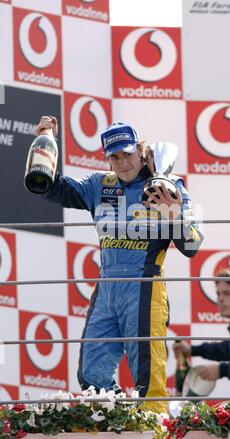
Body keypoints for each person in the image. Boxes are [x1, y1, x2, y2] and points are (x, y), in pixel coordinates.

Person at [34, 116, 203, 413]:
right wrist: (45, 143)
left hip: (145, 288)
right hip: (107, 289)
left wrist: (174, 216)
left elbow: (192, 246)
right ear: (107, 158)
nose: (123, 162)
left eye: (127, 153)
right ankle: (121, 426)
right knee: (91, 376)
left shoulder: (168, 185)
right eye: (114, 156)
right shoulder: (99, 184)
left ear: (141, 151)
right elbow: (48, 188)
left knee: (148, 379)